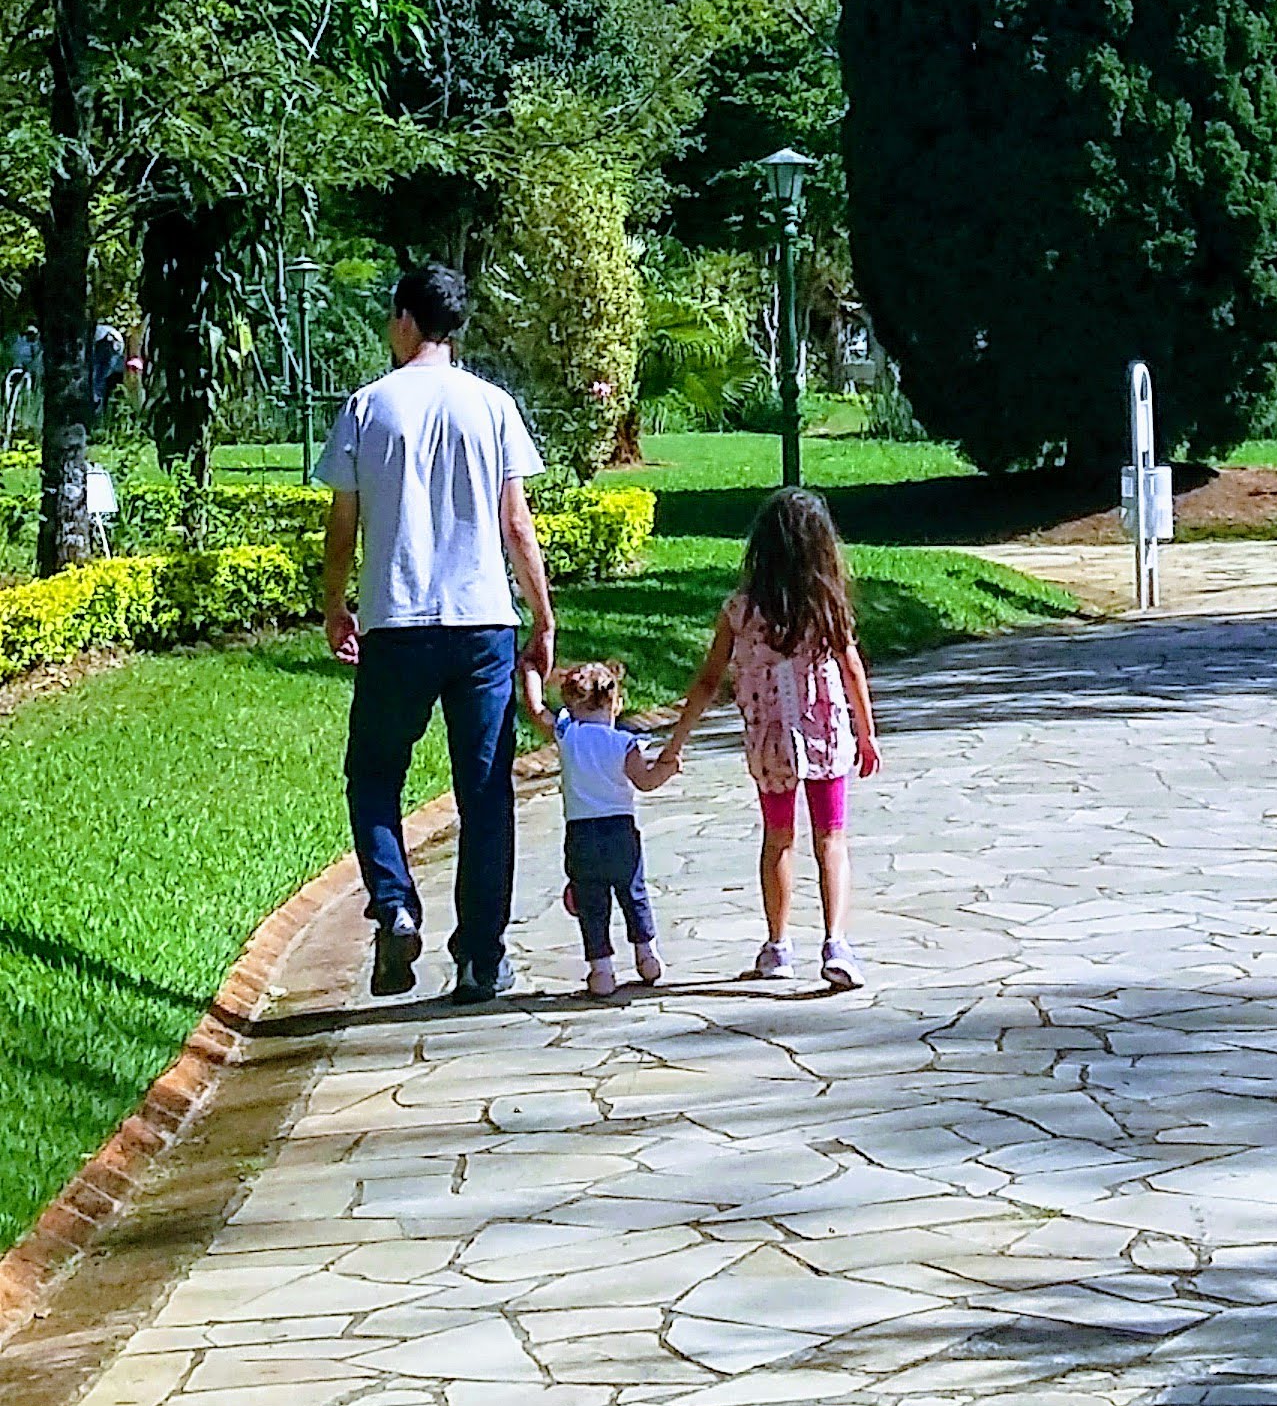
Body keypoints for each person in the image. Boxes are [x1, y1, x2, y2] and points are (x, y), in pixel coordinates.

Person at [318, 263, 554, 1003]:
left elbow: (342, 523)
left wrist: (334, 603)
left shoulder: (368, 407)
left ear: (406, 320)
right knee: (485, 791)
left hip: (397, 621)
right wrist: (543, 617)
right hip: (483, 623)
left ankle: (393, 904)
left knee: (374, 774)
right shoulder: (492, 406)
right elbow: (517, 524)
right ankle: (481, 958)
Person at [663, 487, 880, 991]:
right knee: (832, 837)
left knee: (778, 837)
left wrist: (677, 741)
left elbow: (707, 680)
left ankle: (779, 945)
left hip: (770, 740)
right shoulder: (826, 606)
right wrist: (866, 733)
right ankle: (836, 943)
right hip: (824, 732)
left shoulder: (740, 610)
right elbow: (851, 669)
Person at [521, 657, 678, 994]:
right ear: (615, 702)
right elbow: (645, 782)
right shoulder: (624, 743)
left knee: (591, 902)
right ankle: (646, 955)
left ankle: (602, 970)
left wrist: (531, 673)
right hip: (621, 832)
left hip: (581, 835)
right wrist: (667, 769)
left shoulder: (567, 735)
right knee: (633, 893)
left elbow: (536, 710)